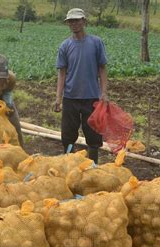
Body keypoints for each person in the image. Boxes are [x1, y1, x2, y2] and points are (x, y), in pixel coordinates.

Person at [54, 8, 108, 164]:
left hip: (91, 97)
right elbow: (62, 73)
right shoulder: (65, 46)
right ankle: (68, 163)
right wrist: (58, 97)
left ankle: (94, 166)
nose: (74, 24)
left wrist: (104, 92)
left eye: (77, 20)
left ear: (84, 21)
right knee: (68, 135)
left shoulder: (96, 43)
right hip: (70, 97)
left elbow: (102, 68)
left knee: (93, 135)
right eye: (71, 21)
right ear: (67, 24)